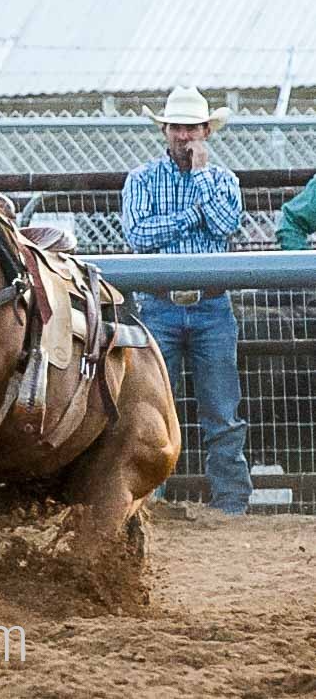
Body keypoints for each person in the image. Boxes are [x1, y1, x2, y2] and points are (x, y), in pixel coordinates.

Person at [122, 86, 251, 515]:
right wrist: (195, 213)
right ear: (165, 131)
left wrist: (198, 179)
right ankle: (150, 501)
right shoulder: (142, 178)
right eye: (177, 127)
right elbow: (138, 236)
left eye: (191, 128)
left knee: (222, 411)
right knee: (153, 409)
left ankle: (231, 504)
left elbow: (226, 225)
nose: (184, 136)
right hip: (160, 305)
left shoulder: (222, 179)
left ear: (205, 132)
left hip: (210, 305)